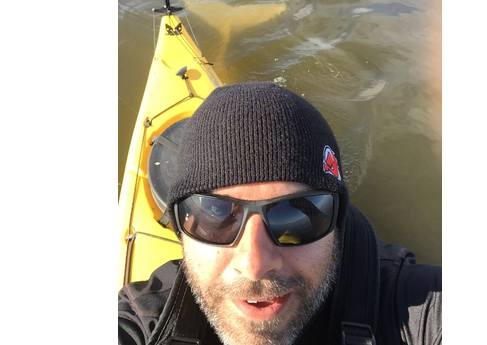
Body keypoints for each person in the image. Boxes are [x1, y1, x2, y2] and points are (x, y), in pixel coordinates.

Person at [118, 82, 442, 345]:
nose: (255, 265)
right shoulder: (142, 320)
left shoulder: (414, 306)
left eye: (297, 214)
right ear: (180, 228)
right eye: (216, 213)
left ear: (336, 226)